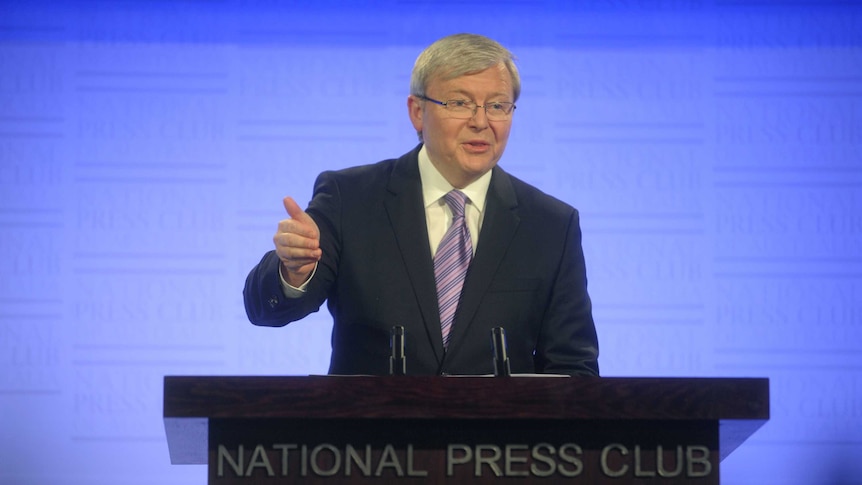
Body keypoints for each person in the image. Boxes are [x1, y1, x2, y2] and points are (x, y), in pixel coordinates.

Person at [243, 33, 599, 376]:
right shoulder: (349, 198)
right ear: (416, 112)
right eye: (460, 103)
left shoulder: (551, 224)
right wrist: (293, 272)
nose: (481, 122)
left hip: (499, 437)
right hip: (371, 435)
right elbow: (265, 311)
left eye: (497, 106)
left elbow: (574, 369)